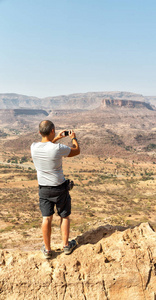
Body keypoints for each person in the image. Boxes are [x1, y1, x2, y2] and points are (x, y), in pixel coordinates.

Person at [31, 120, 80, 258]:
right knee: (64, 216)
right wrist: (73, 138)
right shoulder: (58, 148)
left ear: (40, 132)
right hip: (59, 188)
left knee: (46, 218)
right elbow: (76, 150)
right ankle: (66, 246)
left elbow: (45, 146)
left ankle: (47, 250)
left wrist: (57, 137)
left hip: (44, 189)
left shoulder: (33, 147)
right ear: (52, 130)